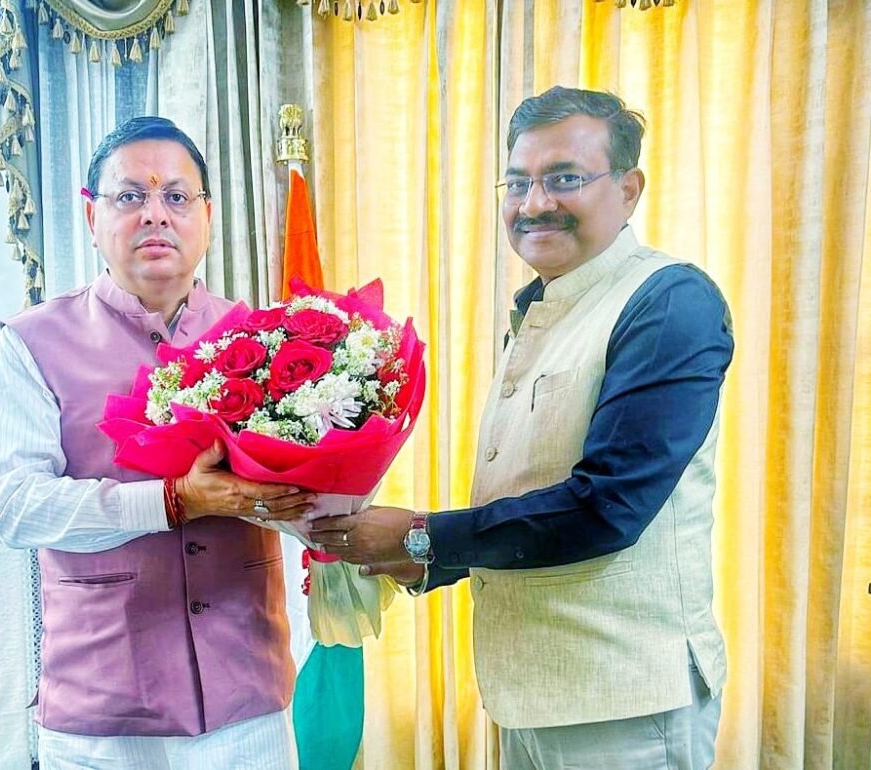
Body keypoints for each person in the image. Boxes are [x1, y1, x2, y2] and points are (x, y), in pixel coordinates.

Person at [310, 87, 733, 769]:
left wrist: (422, 536)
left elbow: (607, 507)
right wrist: (421, 560)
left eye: (563, 178)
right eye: (517, 182)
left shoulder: (667, 302)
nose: (534, 203)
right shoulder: (542, 306)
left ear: (628, 190)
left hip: (623, 705)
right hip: (530, 695)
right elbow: (534, 491)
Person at [0, 116, 314, 769]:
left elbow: (302, 485)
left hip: (245, 696)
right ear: (92, 215)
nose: (155, 214)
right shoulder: (31, 344)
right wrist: (172, 501)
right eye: (131, 195)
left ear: (207, 216)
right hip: (103, 707)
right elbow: (16, 507)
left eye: (177, 196)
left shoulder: (266, 339)